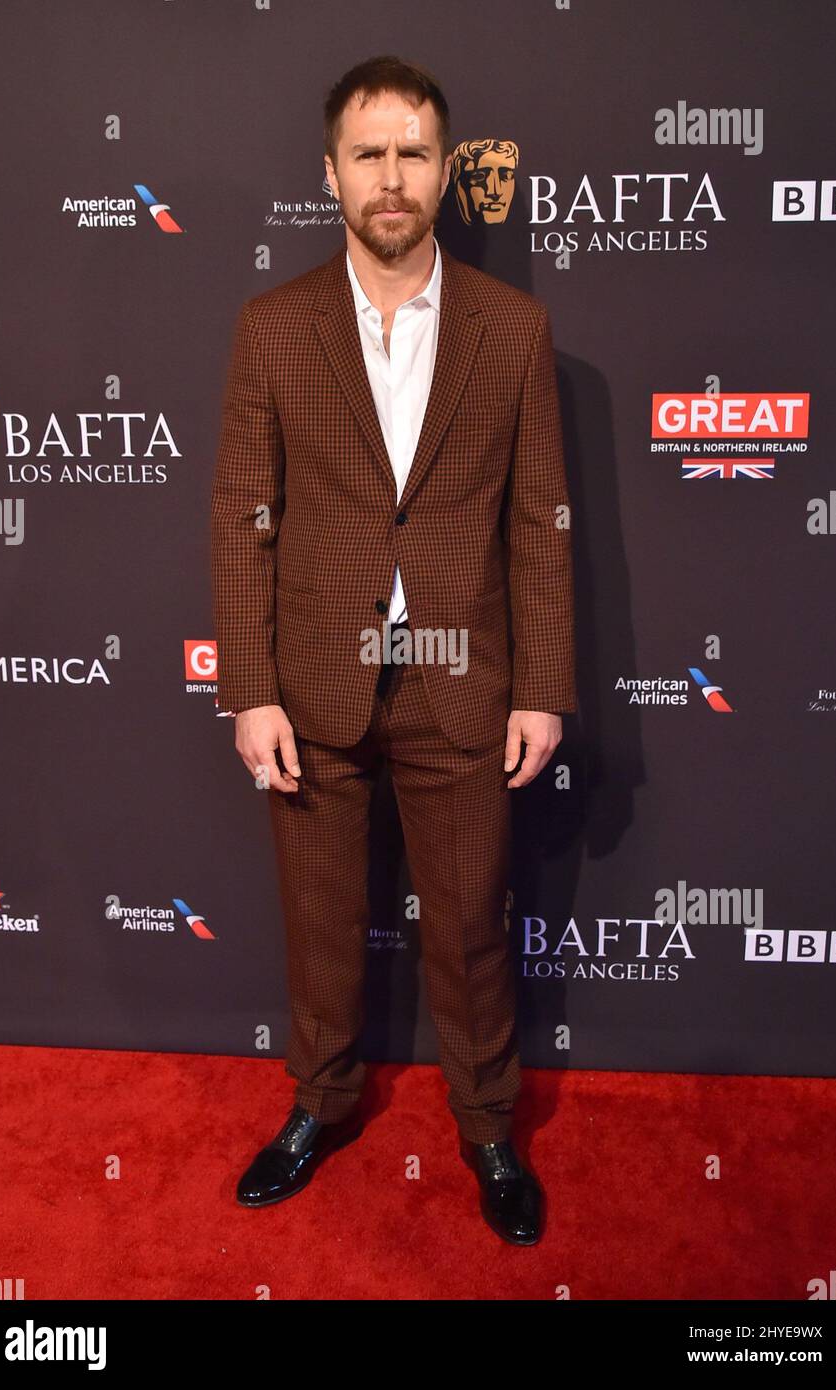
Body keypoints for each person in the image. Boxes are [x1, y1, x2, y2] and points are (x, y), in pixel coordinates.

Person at [210, 54, 576, 1246]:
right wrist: (246, 690)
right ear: (330, 174)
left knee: (469, 926)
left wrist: (545, 689)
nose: (390, 176)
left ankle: (484, 1127)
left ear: (445, 173)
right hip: (313, 680)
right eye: (367, 153)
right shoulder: (271, 329)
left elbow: (538, 521)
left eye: (413, 152)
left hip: (463, 681)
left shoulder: (513, 330)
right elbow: (239, 514)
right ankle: (319, 1104)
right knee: (318, 923)